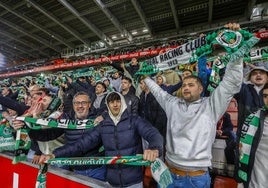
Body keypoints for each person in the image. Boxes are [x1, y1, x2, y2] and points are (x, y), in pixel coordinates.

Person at [143, 23, 243, 188]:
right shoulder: (172, 104)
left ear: (201, 88)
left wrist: (236, 45)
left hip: (195, 179)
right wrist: (144, 76)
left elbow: (232, 81)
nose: (186, 87)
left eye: (191, 84)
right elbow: (157, 91)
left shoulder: (212, 105)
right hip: (168, 174)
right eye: (184, 85)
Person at [40, 91, 163, 188]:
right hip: (111, 181)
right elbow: (81, 144)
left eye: (117, 101)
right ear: (107, 105)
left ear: (123, 103)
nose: (115, 104)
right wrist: (54, 154)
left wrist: (154, 148)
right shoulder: (103, 126)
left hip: (133, 182)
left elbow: (153, 134)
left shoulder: (135, 120)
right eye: (111, 102)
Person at [20, 91, 106, 181]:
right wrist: (27, 128)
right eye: (77, 103)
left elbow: (82, 144)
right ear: (73, 105)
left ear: (89, 104)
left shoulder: (97, 120)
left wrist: (55, 154)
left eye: (83, 103)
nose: (80, 106)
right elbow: (48, 135)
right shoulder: (67, 119)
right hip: (75, 170)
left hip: (96, 170)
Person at [235, 83, 268, 188]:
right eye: (265, 96)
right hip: (256, 181)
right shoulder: (253, 118)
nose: (267, 99)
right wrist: (240, 180)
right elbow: (241, 150)